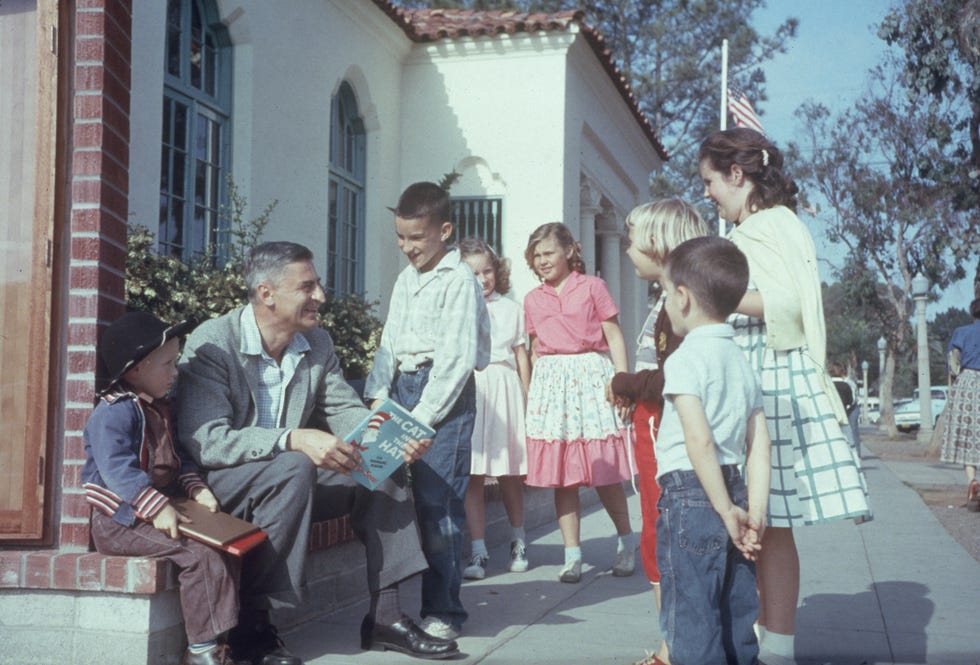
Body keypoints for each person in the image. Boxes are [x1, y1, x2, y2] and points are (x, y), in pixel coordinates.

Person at [178, 242, 459, 664]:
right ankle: (252, 627)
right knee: (293, 464)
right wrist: (292, 439)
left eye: (318, 286)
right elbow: (207, 440)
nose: (321, 298)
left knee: (380, 464)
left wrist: (392, 440)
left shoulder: (317, 343)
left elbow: (344, 410)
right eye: (307, 287)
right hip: (219, 486)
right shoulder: (215, 341)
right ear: (266, 293)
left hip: (291, 480)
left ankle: (385, 617)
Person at [699, 127, 872, 665]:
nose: (707, 193)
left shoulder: (767, 225)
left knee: (763, 520)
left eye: (710, 181)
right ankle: (769, 644)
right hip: (761, 369)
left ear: (738, 175)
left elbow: (786, 306)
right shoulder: (768, 225)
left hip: (768, 376)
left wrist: (708, 290)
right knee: (765, 526)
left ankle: (773, 648)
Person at [363, 182, 491, 641]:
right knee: (391, 495)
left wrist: (421, 418)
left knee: (439, 505)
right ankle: (387, 609)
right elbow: (390, 340)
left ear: (445, 230)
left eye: (416, 238)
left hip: (445, 398)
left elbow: (457, 360)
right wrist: (379, 395)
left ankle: (444, 610)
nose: (407, 247)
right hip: (403, 387)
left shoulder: (459, 281)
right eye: (400, 237)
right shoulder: (406, 278)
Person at [83, 312, 239, 665]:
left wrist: (197, 488)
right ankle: (201, 652)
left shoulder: (160, 408)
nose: (175, 372)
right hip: (121, 521)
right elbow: (117, 471)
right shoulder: (115, 413)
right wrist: (157, 507)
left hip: (156, 512)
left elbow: (178, 458)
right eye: (168, 364)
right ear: (135, 370)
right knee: (200, 555)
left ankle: (219, 640)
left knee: (226, 547)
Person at [654, 235, 771, 665]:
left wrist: (724, 511)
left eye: (665, 293)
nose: (665, 303)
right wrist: (752, 515)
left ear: (682, 298)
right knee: (737, 610)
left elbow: (698, 440)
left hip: (693, 496)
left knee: (693, 614)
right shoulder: (742, 362)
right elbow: (759, 444)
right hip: (737, 491)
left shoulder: (684, 359)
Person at [607, 198, 709, 665]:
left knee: (663, 532)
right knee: (659, 532)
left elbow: (674, 374)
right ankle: (673, 644)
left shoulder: (680, 305)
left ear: (658, 243)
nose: (627, 249)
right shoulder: (666, 301)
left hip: (663, 430)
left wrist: (623, 382)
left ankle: (673, 649)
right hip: (655, 426)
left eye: (633, 240)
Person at [522, 222, 636, 584]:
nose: (542, 261)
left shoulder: (593, 287)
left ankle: (626, 543)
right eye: (536, 255)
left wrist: (622, 381)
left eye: (549, 253)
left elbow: (614, 335)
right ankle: (572, 555)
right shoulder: (532, 299)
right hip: (554, 387)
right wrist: (534, 397)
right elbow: (535, 348)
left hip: (590, 379)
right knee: (563, 477)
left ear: (570, 251)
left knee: (602, 471)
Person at [456, 237, 532, 580]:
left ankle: (518, 540)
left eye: (487, 271)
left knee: (508, 471)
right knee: (473, 471)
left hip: (503, 387)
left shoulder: (511, 308)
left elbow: (521, 355)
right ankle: (478, 550)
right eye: (474, 273)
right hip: (471, 387)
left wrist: (529, 397)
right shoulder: (457, 307)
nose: (483, 279)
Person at [940, 297, 980, 510]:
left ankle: (972, 481)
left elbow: (953, 361)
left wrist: (958, 375)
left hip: (968, 383)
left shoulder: (961, 332)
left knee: (968, 436)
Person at [829, 361, 862, 458]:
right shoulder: (846, 385)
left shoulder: (829, 385)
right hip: (846, 410)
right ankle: (854, 454)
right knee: (850, 433)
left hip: (836, 411)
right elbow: (851, 400)